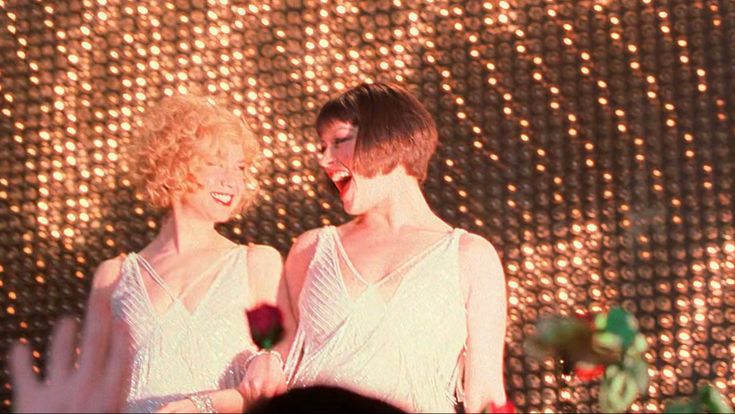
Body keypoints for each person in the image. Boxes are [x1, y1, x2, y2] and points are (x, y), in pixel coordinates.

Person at [245, 82, 509, 412]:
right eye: (322, 146)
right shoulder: (312, 249)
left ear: (389, 139)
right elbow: (277, 367)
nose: (325, 159)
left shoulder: (469, 255)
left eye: (339, 141)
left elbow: (486, 394)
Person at [83, 94, 285, 412]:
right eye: (215, 163)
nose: (232, 180)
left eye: (240, 167)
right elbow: (90, 394)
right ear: (173, 163)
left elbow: (274, 383)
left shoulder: (257, 264)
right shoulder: (115, 275)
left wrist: (200, 405)